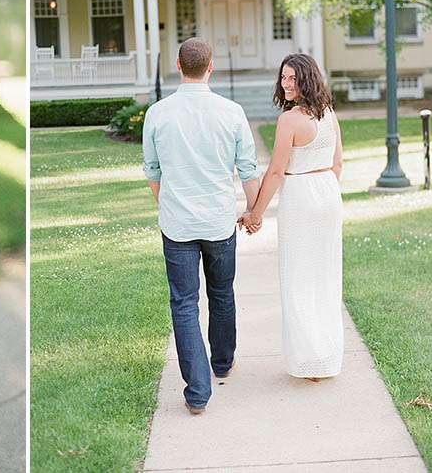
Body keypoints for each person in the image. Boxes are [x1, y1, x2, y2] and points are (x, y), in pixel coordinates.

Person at [142, 38, 260, 415]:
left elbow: (153, 173)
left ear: (178, 65)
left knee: (184, 303)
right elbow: (247, 170)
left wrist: (169, 204)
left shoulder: (157, 113)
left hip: (177, 223)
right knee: (222, 293)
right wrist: (253, 210)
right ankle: (222, 363)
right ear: (211, 67)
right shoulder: (232, 112)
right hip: (218, 220)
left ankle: (197, 393)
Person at [242, 53, 344, 380]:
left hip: (301, 196)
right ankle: (326, 355)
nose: (286, 84)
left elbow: (275, 172)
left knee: (299, 277)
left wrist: (254, 213)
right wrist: (324, 192)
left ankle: (310, 360)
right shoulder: (329, 114)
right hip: (327, 192)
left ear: (306, 79)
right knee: (325, 275)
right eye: (283, 78)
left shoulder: (289, 120)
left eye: (292, 78)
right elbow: (338, 163)